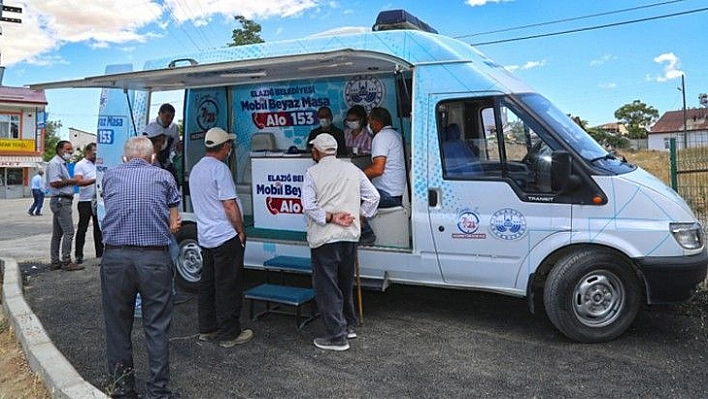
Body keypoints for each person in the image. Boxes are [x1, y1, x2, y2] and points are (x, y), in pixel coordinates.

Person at [100, 136, 181, 398]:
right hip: (154, 259)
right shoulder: (165, 177)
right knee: (157, 327)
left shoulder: (110, 176)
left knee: (118, 326)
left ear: (125, 158)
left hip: (116, 259)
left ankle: (123, 390)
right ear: (153, 157)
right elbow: (174, 221)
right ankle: (158, 392)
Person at [302, 133, 380, 351]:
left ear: (316, 152)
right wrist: (360, 215)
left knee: (327, 286)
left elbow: (309, 206)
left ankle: (337, 336)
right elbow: (374, 197)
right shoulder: (353, 170)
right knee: (345, 282)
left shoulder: (312, 173)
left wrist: (329, 217)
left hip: (325, 238)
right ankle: (347, 327)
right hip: (349, 236)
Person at [189, 127, 254, 348]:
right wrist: (240, 230)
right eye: (229, 146)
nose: (230, 150)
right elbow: (229, 204)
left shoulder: (197, 169)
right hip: (225, 235)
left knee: (207, 284)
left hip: (206, 236)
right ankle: (229, 333)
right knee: (229, 284)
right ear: (224, 147)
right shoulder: (220, 169)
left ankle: (207, 328)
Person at [360, 107, 406, 245]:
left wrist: (356, 177)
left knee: (348, 194)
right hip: (398, 193)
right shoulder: (396, 135)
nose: (369, 125)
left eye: (370, 121)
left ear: (375, 122)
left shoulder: (381, 137)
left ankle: (365, 233)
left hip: (387, 195)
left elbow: (377, 169)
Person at [46, 140, 84, 271]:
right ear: (60, 150)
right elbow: (54, 183)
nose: (71, 152)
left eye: (71, 149)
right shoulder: (55, 164)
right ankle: (66, 261)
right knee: (69, 232)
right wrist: (72, 181)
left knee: (57, 233)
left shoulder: (61, 163)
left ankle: (55, 262)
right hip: (61, 201)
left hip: (60, 201)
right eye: (68, 149)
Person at [73, 143, 103, 264]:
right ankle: (78, 254)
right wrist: (94, 180)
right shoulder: (80, 165)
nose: (96, 155)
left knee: (98, 228)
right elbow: (78, 181)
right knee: (82, 228)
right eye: (94, 152)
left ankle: (100, 253)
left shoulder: (98, 164)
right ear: (88, 152)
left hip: (96, 200)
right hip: (85, 201)